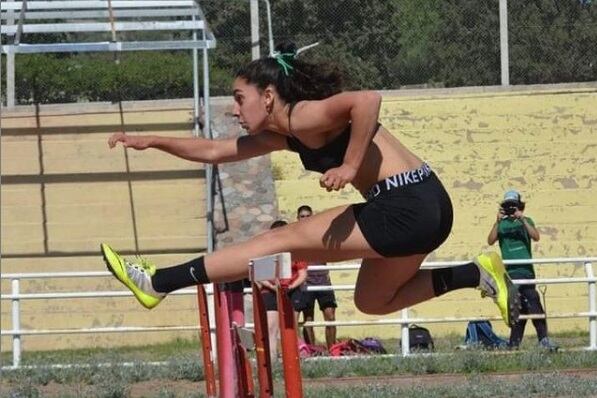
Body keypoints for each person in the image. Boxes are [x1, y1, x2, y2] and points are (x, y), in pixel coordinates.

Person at [101, 41, 520, 331]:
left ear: (267, 96)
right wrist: (152, 141)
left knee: (278, 240)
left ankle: (158, 282)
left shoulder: (304, 116)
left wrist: (351, 164)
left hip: (405, 203)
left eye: (238, 98)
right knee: (373, 301)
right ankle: (474, 273)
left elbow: (368, 100)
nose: (233, 110)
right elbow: (215, 151)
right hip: (426, 206)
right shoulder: (286, 134)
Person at [487, 190, 558, 351]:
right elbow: (490, 240)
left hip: (525, 272)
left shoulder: (526, 221)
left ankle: (542, 339)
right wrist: (497, 222)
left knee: (533, 303)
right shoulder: (502, 224)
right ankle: (514, 344)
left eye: (514, 205)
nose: (511, 208)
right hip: (509, 273)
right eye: (508, 206)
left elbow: (536, 236)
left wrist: (522, 218)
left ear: (520, 206)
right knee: (517, 308)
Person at [257, 220, 307, 362]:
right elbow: (259, 275)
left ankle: (292, 357)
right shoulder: (265, 251)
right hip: (270, 290)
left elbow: (302, 273)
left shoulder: (295, 251)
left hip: (291, 289)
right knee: (271, 326)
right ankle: (271, 358)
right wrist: (273, 287)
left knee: (290, 325)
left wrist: (290, 286)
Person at [296, 205, 337, 348]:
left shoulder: (321, 233)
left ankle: (333, 350)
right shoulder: (295, 236)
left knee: (330, 316)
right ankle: (311, 350)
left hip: (323, 281)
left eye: (308, 216)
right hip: (306, 282)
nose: (306, 219)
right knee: (308, 319)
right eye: (303, 216)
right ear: (298, 218)